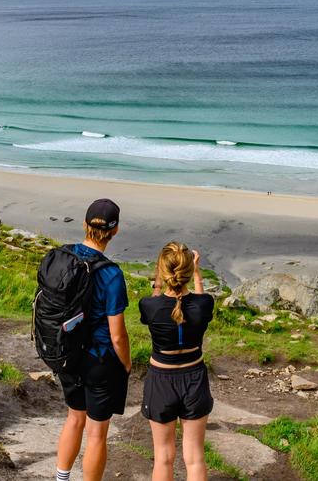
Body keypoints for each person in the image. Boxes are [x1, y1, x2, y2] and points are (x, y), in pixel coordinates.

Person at [54, 199, 131, 481]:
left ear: (85, 224)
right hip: (100, 360)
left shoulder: (64, 257)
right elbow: (118, 335)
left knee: (74, 418)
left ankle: (61, 478)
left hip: (67, 353)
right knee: (97, 433)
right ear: (116, 230)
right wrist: (126, 364)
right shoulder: (111, 275)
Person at [139, 242, 215, 481]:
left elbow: (155, 303)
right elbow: (200, 298)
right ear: (188, 274)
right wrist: (197, 272)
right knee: (195, 457)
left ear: (163, 273)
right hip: (194, 378)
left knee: (163, 457)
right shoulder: (204, 304)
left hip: (161, 380)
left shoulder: (149, 306)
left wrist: (158, 284)